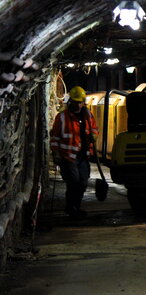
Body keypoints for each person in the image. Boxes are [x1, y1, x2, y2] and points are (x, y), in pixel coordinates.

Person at [50, 86, 98, 218]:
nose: (78, 105)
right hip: (68, 156)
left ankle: (76, 206)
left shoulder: (87, 114)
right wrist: (56, 153)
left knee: (83, 182)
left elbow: (94, 128)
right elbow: (55, 137)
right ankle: (71, 208)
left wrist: (94, 135)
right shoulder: (62, 117)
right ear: (70, 101)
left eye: (80, 102)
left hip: (83, 155)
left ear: (83, 102)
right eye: (76, 102)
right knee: (74, 182)